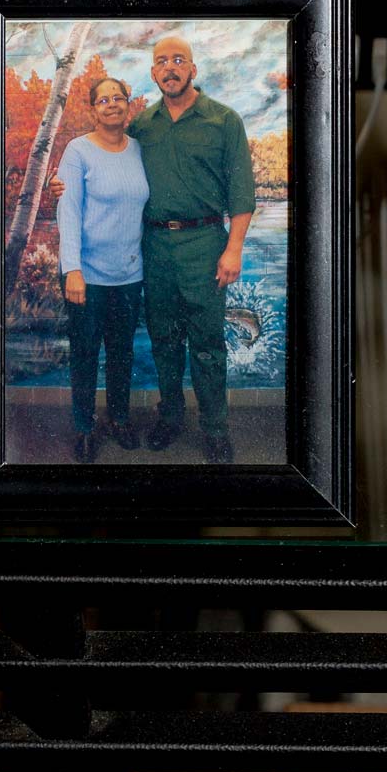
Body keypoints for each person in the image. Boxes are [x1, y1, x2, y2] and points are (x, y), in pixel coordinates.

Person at [128, 35, 256, 463]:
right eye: (161, 61)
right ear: (153, 73)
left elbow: (241, 194)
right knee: (163, 340)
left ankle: (216, 429)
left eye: (178, 60)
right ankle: (170, 418)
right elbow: (110, 168)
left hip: (205, 244)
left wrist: (233, 249)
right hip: (155, 246)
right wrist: (66, 182)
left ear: (193, 70)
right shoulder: (142, 126)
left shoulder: (224, 120)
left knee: (206, 343)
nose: (170, 68)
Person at [54, 77, 149, 462]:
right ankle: (84, 428)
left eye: (118, 98)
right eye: (103, 100)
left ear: (128, 106)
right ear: (93, 110)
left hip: (129, 275)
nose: (112, 104)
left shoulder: (140, 150)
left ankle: (120, 419)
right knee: (85, 354)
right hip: (87, 276)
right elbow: (69, 209)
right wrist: (72, 269)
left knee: (122, 353)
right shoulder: (77, 151)